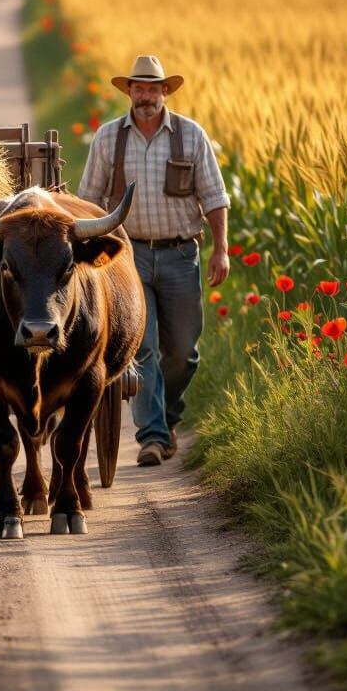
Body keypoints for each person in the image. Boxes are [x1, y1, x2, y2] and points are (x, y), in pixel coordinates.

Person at [78, 55, 230, 466]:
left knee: (182, 352)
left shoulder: (190, 135)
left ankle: (169, 416)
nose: (146, 96)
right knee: (142, 350)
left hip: (181, 253)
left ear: (165, 91)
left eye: (153, 88)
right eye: (139, 88)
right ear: (128, 91)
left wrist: (222, 249)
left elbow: (214, 198)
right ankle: (152, 436)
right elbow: (89, 201)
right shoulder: (109, 138)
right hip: (128, 257)